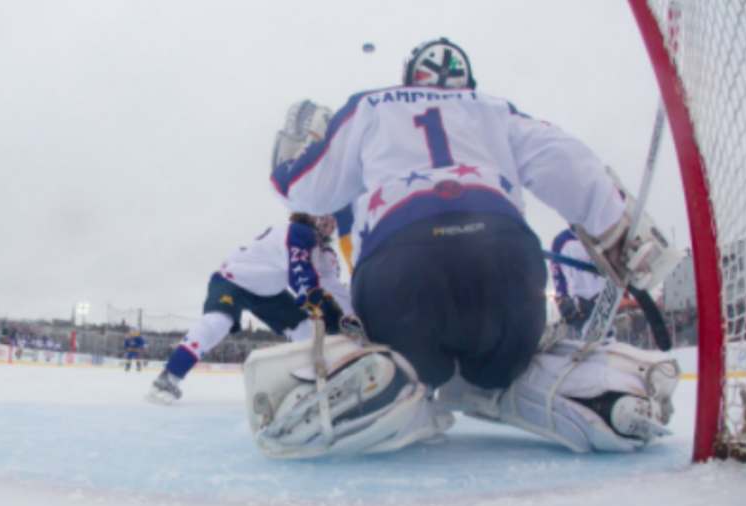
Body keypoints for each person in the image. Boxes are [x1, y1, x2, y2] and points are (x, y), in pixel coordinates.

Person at [255, 37, 682, 458]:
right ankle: (542, 388)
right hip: (507, 269)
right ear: (466, 82)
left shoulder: (372, 106)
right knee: (503, 368)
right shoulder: (493, 109)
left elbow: (307, 191)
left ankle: (399, 389)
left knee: (407, 363)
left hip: (401, 272)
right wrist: (620, 233)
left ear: (407, 78)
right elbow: (572, 163)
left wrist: (286, 166)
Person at [147, 211, 356, 404]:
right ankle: (169, 377)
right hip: (234, 280)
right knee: (218, 322)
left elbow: (333, 287)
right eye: (323, 214)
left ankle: (316, 378)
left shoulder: (324, 252)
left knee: (305, 328)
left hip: (269, 292)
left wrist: (352, 316)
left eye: (333, 219)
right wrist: (329, 312)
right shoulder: (299, 232)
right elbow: (302, 280)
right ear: (309, 212)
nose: (329, 222)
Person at [549, 227, 605, 333]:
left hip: (603, 295)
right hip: (579, 299)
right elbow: (556, 271)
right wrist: (562, 296)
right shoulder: (561, 240)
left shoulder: (599, 233)